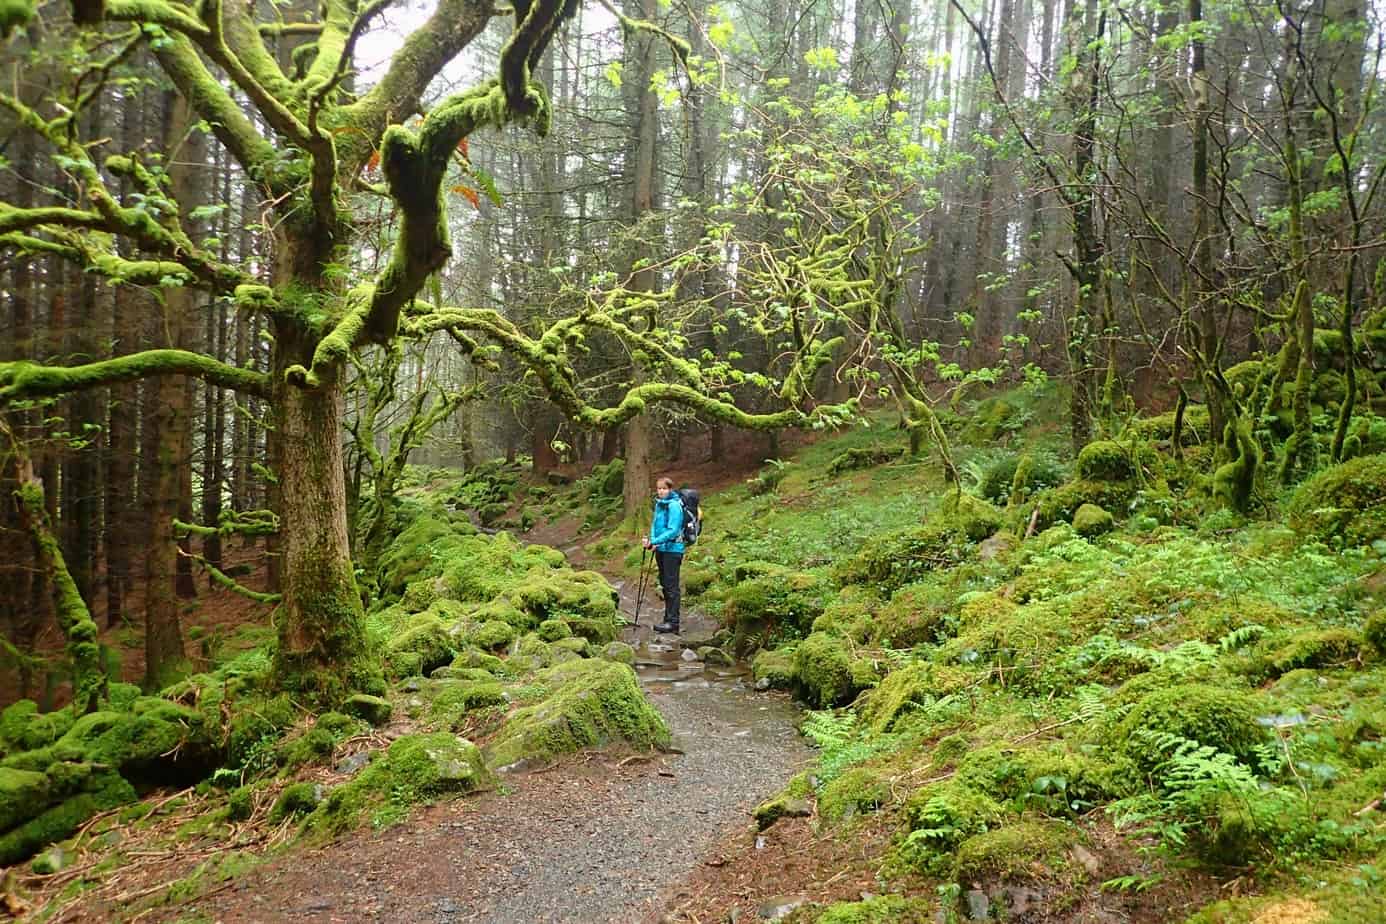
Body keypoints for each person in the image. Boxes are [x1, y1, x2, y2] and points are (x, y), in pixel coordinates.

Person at [643, 477, 685, 634]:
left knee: (672, 586)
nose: (661, 491)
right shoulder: (659, 505)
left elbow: (673, 530)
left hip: (673, 550)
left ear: (670, 489)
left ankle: (673, 622)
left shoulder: (674, 506)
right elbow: (654, 525)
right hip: (661, 549)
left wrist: (655, 541)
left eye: (664, 489)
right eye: (659, 488)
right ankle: (667, 619)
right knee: (665, 585)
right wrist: (652, 541)